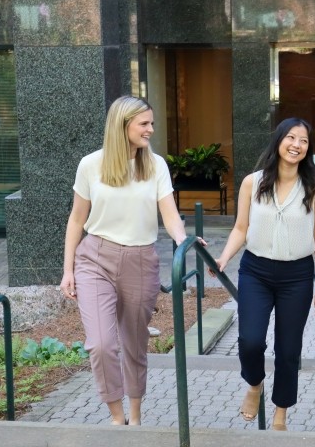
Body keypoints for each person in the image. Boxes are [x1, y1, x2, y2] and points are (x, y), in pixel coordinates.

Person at [60, 96, 196, 426]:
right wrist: (67, 271)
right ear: (123, 125)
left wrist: (183, 239)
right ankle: (116, 417)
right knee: (101, 345)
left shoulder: (156, 166)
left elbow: (169, 213)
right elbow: (77, 219)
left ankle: (135, 417)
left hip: (140, 260)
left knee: (134, 345)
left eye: (151, 123)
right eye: (144, 124)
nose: (151, 129)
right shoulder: (91, 164)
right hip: (95, 259)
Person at [214, 117, 315, 431]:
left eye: (303, 141)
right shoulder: (253, 182)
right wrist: (223, 258)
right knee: (250, 341)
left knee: (289, 350)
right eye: (291, 138)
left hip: (298, 276)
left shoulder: (314, 188)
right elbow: (241, 228)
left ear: (308, 148)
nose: (296, 145)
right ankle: (254, 384)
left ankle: (281, 414)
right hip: (256, 272)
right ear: (278, 141)